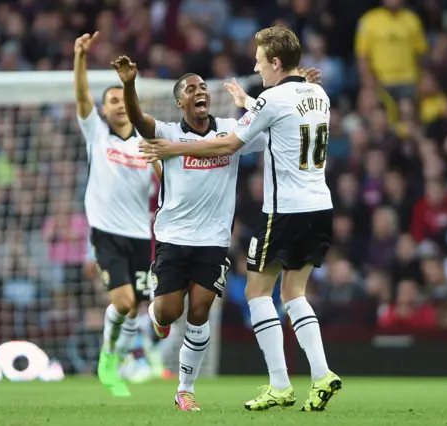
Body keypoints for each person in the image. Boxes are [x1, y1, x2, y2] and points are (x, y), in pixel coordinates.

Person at [140, 25, 341, 412]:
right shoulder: (319, 94)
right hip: (321, 206)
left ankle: (280, 384)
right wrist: (247, 99)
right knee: (295, 294)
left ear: (276, 62)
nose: (256, 65)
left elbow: (233, 141)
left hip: (285, 211)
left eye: (260, 60)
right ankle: (321, 375)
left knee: (257, 293)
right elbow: (280, 116)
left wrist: (174, 146)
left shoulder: (272, 98)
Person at [74, 32, 160, 398]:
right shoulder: (97, 136)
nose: (118, 105)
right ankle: (108, 360)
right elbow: (81, 98)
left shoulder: (148, 144)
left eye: (122, 98)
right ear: (105, 110)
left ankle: (121, 359)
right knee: (123, 302)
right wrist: (80, 58)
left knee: (134, 308)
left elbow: (168, 182)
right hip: (106, 232)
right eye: (111, 101)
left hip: (141, 234)